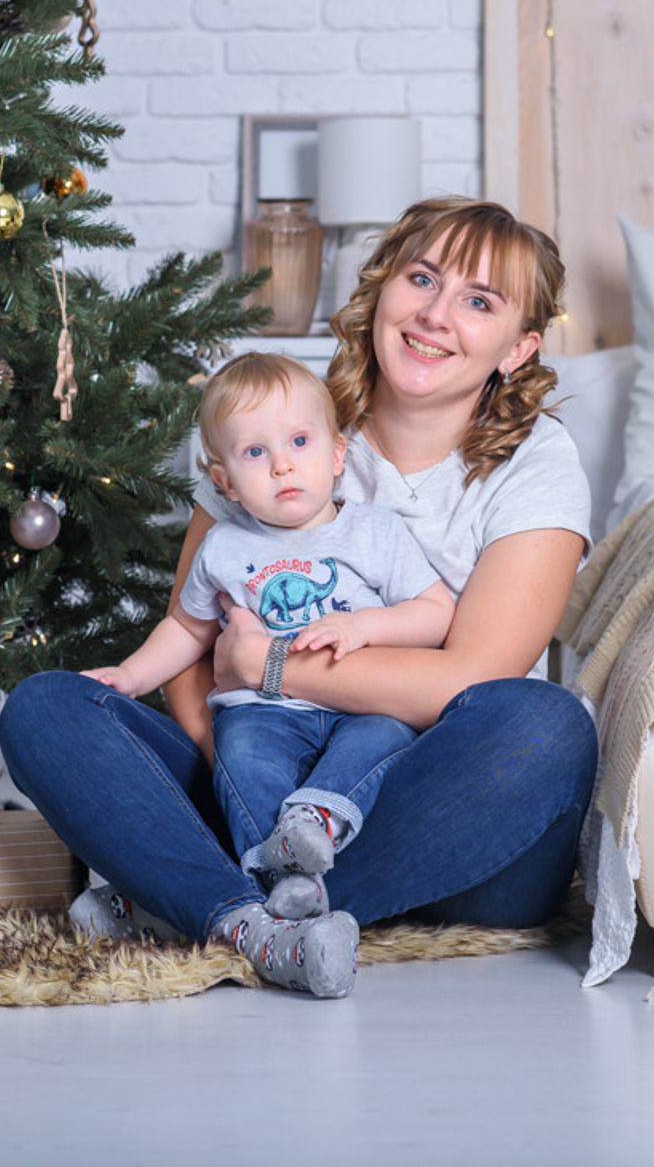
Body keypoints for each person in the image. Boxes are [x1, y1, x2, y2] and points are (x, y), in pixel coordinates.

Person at [0, 196, 599, 1001]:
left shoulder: (538, 462)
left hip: (437, 813)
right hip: (257, 771)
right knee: (46, 708)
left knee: (546, 725)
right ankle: (257, 916)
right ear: (384, 288)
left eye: (479, 301)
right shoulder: (279, 422)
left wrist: (269, 665)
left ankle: (200, 900)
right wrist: (242, 782)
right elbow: (191, 636)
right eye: (422, 279)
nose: (435, 315)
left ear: (518, 348)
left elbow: (473, 674)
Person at [80, 351, 456, 941]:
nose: (283, 465)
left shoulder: (374, 532)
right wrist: (130, 676)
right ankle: (282, 878)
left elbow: (435, 613)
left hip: (360, 706)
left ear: (337, 455)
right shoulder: (224, 547)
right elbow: (187, 629)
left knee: (385, 737)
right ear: (225, 481)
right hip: (263, 711)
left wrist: (363, 628)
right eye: (256, 452)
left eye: (300, 442)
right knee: (243, 753)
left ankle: (311, 821)